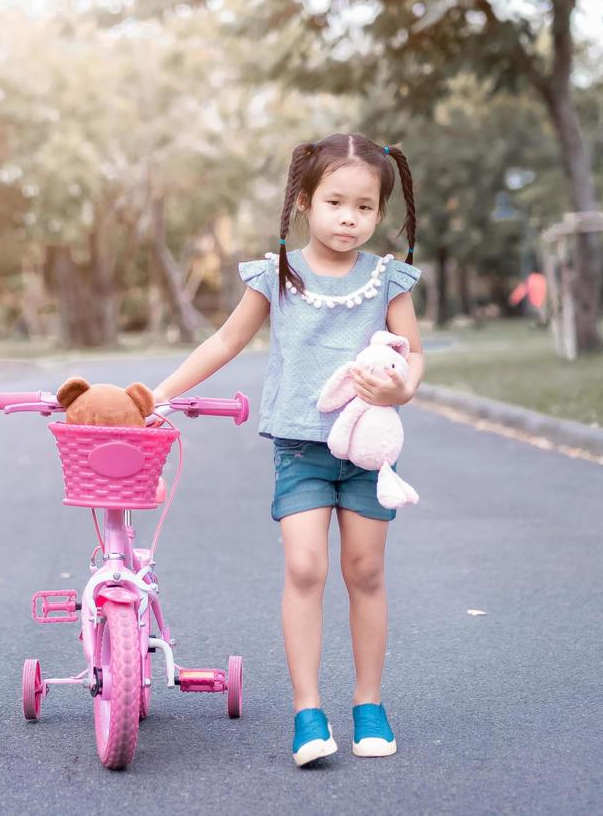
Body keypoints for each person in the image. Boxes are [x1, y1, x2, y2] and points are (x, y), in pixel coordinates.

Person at [150, 133, 423, 767]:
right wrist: (158, 393)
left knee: (366, 571)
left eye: (365, 206)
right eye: (335, 202)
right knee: (305, 569)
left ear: (380, 212)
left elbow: (413, 356)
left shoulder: (388, 279)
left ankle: (369, 704)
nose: (349, 218)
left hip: (365, 448)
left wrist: (400, 387)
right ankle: (307, 711)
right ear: (304, 200)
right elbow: (224, 343)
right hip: (301, 450)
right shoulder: (278, 274)